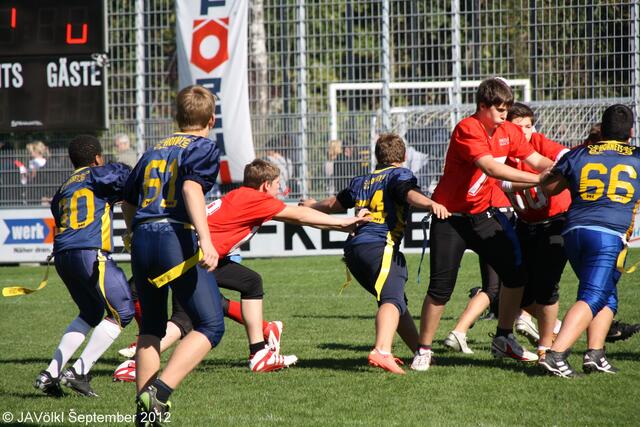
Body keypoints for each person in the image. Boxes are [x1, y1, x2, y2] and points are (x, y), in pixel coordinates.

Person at [411, 78, 554, 371]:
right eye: (499, 109)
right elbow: (491, 167)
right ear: (482, 106)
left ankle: (504, 337)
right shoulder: (468, 128)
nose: (504, 114)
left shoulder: (509, 130)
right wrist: (539, 180)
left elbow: (535, 158)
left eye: (507, 109)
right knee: (441, 288)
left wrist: (558, 169)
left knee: (515, 275)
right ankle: (423, 350)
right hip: (450, 218)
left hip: (483, 215)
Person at [303, 133, 450, 374]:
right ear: (404, 156)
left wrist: (311, 205)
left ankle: (420, 352)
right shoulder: (399, 175)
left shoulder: (361, 180)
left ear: (376, 156)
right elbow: (407, 192)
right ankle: (382, 350)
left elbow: (332, 204)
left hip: (354, 250)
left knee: (395, 301)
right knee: (392, 300)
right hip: (380, 246)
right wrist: (429, 203)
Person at [122, 85, 223, 423]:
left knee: (151, 326)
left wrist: (132, 233)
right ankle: (158, 392)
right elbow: (191, 188)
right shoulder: (204, 146)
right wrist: (206, 240)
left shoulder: (153, 150)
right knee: (211, 325)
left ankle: (145, 414)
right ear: (211, 120)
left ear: (176, 116)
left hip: (143, 237)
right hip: (173, 237)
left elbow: (128, 200)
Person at [540, 104, 640, 377]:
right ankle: (556, 354)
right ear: (630, 132)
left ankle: (595, 354)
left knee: (606, 293)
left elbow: (549, 188)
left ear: (602, 129)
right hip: (608, 234)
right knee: (593, 295)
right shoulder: (636, 156)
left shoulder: (579, 153)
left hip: (574, 231)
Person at [34, 135, 134, 397]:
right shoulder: (97, 174)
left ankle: (50, 374)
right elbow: (127, 176)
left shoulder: (63, 188)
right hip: (89, 252)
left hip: (63, 256)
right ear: (98, 158)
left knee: (91, 312)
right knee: (123, 310)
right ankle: (79, 371)